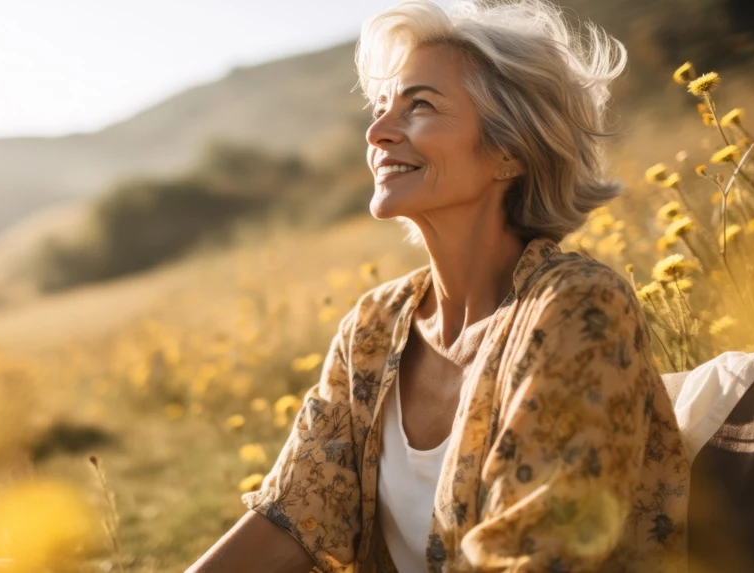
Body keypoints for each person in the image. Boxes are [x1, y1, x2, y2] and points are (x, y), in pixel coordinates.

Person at [187, 0, 689, 571]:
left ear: (509, 150)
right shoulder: (374, 327)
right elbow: (292, 514)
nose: (377, 132)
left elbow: (540, 554)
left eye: (419, 105)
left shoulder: (575, 306)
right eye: (380, 107)